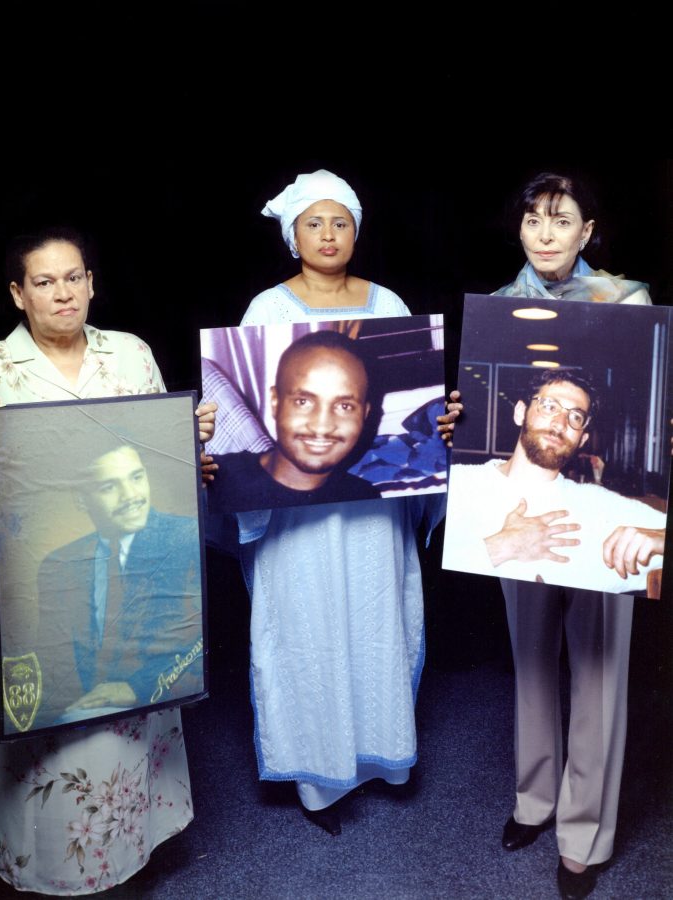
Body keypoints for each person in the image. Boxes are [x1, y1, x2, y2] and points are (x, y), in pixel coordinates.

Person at [0, 228, 215, 894]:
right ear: (18, 294)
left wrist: (190, 443)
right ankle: (39, 871)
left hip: (131, 576)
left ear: (92, 283)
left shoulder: (130, 355)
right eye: (44, 282)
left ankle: (124, 856)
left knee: (123, 722)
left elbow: (163, 467)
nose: (62, 293)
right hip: (22, 589)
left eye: (73, 277)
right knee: (40, 735)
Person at [205, 169, 458, 835]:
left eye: (339, 221)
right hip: (294, 520)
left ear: (355, 232)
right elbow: (246, 423)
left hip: (373, 511)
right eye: (313, 223)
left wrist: (437, 428)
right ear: (292, 236)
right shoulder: (267, 310)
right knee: (306, 624)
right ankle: (318, 778)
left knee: (375, 617)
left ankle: (383, 759)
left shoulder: (389, 304)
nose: (327, 234)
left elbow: (409, 414)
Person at [483, 173, 658, 900]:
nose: (544, 234)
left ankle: (582, 834)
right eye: (531, 221)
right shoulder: (495, 309)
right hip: (515, 506)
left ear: (587, 232)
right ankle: (535, 800)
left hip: (602, 511)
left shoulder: (627, 300)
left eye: (560, 221)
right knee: (529, 658)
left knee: (596, 669)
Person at [444, 368, 666, 592]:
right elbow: (414, 573)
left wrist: (661, 540)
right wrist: (502, 546)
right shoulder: (456, 484)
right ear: (521, 412)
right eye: (549, 406)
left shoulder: (600, 508)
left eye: (576, 417)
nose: (561, 424)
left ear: (582, 439)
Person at [34, 440, 203, 728]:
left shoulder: (186, 537)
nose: (131, 496)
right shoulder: (58, 564)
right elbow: (52, 664)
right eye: (109, 487)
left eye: (136, 477)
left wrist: (138, 687)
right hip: (80, 716)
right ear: (81, 499)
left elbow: (202, 639)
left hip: (156, 706)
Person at [209, 330, 381, 511]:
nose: (322, 426)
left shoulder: (364, 499)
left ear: (364, 414)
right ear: (276, 403)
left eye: (344, 406)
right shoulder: (212, 480)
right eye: (303, 402)